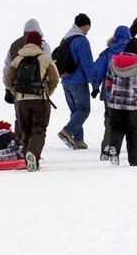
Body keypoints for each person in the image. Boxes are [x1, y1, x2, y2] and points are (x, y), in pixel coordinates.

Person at [5, 31, 60, 172]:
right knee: (39, 129)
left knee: (26, 131)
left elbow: (8, 80)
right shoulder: (45, 58)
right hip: (40, 100)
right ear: (39, 43)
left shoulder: (17, 59)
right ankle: (33, 156)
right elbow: (55, 78)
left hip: (21, 102)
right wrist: (48, 91)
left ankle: (28, 158)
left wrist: (16, 93)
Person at [103, 39, 137, 166]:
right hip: (132, 103)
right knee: (133, 130)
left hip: (115, 102)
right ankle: (134, 159)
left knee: (116, 128)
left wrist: (112, 93)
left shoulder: (113, 62)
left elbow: (108, 82)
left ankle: (114, 147)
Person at [91, 25, 132, 160]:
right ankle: (131, 149)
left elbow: (97, 70)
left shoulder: (108, 52)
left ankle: (106, 149)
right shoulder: (134, 51)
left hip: (110, 93)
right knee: (129, 122)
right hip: (130, 94)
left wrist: (96, 87)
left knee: (110, 121)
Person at [57, 13, 95, 150]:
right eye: (88, 27)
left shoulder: (65, 39)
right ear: (83, 25)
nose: (88, 30)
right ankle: (67, 132)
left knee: (75, 110)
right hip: (78, 81)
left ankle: (78, 140)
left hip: (65, 80)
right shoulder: (82, 41)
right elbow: (87, 63)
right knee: (84, 109)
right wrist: (94, 83)